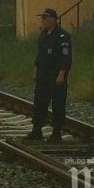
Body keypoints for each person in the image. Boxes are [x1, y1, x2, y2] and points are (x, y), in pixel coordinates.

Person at [26, 8, 72, 144]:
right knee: (39, 101)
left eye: (45, 18)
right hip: (43, 74)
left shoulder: (62, 36)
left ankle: (56, 132)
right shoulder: (43, 35)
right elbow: (39, 55)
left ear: (53, 19)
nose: (43, 20)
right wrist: (35, 70)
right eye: (42, 18)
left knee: (57, 103)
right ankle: (37, 130)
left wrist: (62, 74)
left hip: (56, 74)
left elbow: (66, 57)